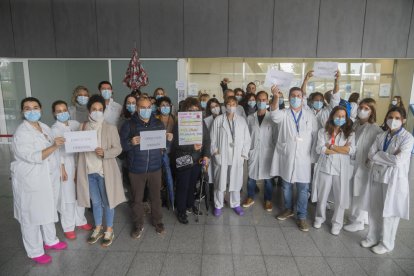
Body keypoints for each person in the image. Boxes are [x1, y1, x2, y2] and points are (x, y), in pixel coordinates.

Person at [11, 97, 67, 264]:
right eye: (27, 108)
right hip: (30, 179)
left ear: (41, 109)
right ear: (22, 112)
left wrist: (60, 167)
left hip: (48, 177)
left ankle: (50, 240)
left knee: (48, 208)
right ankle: (34, 251)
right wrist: (55, 146)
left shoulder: (44, 127)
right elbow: (34, 157)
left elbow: (54, 152)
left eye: (35, 107)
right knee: (31, 216)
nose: (32, 111)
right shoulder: (21, 133)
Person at [361, 107, 413, 254]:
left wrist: (379, 155)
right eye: (390, 117)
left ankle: (386, 243)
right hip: (378, 176)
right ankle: (372, 237)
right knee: (374, 209)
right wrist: (385, 156)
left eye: (397, 118)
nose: (393, 120)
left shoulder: (408, 138)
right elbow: (371, 154)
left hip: (394, 180)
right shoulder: (381, 136)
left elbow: (398, 160)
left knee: (390, 212)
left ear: (403, 120)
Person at [76, 95, 126, 247]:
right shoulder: (82, 127)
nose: (97, 112)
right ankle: (98, 227)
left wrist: (105, 152)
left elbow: (118, 149)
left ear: (103, 111)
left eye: (100, 109)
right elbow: (77, 150)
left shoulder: (110, 128)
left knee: (108, 201)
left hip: (104, 172)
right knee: (95, 202)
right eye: (94, 109)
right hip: (88, 171)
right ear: (89, 111)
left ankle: (109, 229)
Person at [269, 86, 318, 232]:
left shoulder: (310, 115)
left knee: (303, 189)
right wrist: (276, 96)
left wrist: (313, 157)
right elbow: (274, 116)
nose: (296, 98)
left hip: (304, 157)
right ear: (289, 98)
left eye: (299, 95)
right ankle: (288, 209)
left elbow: (315, 136)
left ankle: (302, 216)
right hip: (287, 156)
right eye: (293, 96)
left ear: (303, 98)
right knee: (286, 185)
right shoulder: (284, 113)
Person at [120, 97, 169, 239]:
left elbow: (163, 146)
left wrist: (167, 141)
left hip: (155, 167)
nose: (146, 110)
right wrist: (131, 142)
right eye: (142, 107)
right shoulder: (128, 125)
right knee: (137, 199)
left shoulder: (158, 124)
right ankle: (138, 224)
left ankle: (158, 222)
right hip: (136, 169)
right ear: (136, 108)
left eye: (148, 107)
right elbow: (121, 147)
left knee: (156, 198)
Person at [51, 100, 92, 240]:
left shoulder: (75, 124)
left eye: (64, 110)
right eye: (59, 111)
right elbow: (56, 152)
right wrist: (62, 168)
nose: (63, 113)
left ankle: (80, 220)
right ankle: (68, 226)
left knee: (80, 193)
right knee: (68, 197)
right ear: (54, 114)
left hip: (79, 163)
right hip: (65, 165)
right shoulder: (54, 129)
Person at [312, 106, 355, 235]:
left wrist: (330, 146)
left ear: (346, 118)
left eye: (343, 116)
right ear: (332, 116)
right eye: (338, 116)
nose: (340, 118)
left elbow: (351, 150)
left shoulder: (350, 133)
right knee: (322, 195)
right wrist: (341, 149)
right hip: (325, 166)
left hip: (342, 169)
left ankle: (337, 223)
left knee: (340, 197)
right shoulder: (323, 131)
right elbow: (319, 149)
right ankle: (319, 218)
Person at [344, 98, 382, 232]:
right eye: (361, 107)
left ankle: (358, 221)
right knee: (356, 191)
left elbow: (377, 149)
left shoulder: (375, 129)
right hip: (354, 163)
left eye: (366, 109)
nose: (362, 110)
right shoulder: (355, 124)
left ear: (372, 112)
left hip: (365, 165)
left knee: (361, 193)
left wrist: (370, 162)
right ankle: (360, 218)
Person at [172, 98, 210, 224]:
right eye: (190, 109)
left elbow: (206, 140)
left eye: (196, 109)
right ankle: (181, 210)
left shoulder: (201, 122)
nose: (193, 112)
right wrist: (191, 147)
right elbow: (176, 143)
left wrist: (206, 155)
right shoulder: (179, 123)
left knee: (192, 185)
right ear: (185, 110)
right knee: (183, 186)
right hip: (183, 159)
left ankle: (190, 204)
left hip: (197, 160)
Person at [211, 96, 251, 216]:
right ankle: (218, 205)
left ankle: (235, 204)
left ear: (237, 105)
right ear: (225, 105)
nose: (231, 106)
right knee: (220, 182)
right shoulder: (218, 120)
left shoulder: (242, 121)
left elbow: (247, 139)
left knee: (236, 182)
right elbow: (212, 139)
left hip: (236, 157)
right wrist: (215, 152)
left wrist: (243, 155)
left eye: (233, 104)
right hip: (222, 156)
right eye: (228, 104)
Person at [243, 91, 277, 211]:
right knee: (251, 176)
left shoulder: (272, 117)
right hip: (253, 150)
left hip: (268, 151)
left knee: (268, 179)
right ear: (256, 101)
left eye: (264, 100)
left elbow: (276, 136)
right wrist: (246, 150)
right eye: (259, 100)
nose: (262, 102)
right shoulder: (250, 118)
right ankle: (250, 197)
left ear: (267, 101)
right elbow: (246, 136)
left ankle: (268, 200)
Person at [155, 96, 175, 208]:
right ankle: (161, 200)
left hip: (172, 151)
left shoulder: (174, 118)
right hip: (158, 151)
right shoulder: (154, 119)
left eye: (167, 105)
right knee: (160, 177)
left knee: (170, 176)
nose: (165, 107)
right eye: (163, 105)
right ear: (158, 107)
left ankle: (171, 201)